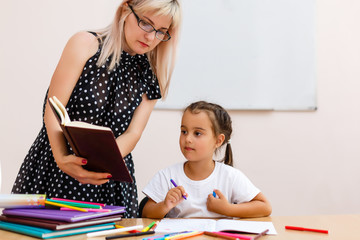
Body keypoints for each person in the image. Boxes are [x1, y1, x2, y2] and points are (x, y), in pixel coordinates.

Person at [12, 0, 182, 218]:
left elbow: (133, 133)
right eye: (146, 24)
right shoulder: (85, 43)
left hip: (108, 176)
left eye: (161, 31)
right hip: (56, 164)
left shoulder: (150, 73)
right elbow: (53, 107)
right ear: (124, 11)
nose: (150, 37)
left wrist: (99, 163)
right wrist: (62, 158)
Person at [142, 101, 272, 218]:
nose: (187, 139)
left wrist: (227, 209)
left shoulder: (230, 176)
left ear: (218, 140)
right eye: (184, 131)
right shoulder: (167, 175)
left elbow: (265, 207)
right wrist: (165, 205)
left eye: (197, 133)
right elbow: (146, 212)